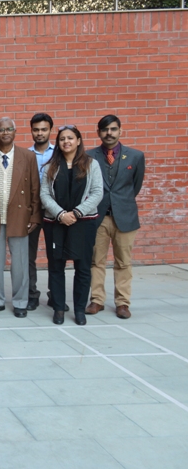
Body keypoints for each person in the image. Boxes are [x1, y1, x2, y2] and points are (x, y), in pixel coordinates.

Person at [0, 117, 41, 318]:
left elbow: (35, 188)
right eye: (1, 130)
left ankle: (20, 302)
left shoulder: (28, 156)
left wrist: (34, 216)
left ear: (15, 132)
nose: (5, 132)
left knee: (20, 262)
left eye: (9, 129)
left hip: (20, 216)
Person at [40, 125, 103, 325]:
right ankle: (59, 308)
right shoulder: (50, 167)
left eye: (70, 138)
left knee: (83, 267)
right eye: (62, 139)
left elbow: (97, 192)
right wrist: (60, 214)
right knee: (56, 267)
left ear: (78, 141)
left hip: (83, 223)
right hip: (55, 223)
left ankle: (79, 310)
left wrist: (76, 213)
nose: (66, 141)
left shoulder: (91, 164)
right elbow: (44, 194)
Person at [86, 115, 146, 319]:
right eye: (104, 129)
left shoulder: (136, 156)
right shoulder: (89, 156)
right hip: (98, 217)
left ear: (120, 131)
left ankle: (122, 303)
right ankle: (97, 300)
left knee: (123, 262)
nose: (109, 133)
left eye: (113, 129)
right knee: (96, 261)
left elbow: (135, 186)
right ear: (98, 132)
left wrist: (121, 203)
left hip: (125, 216)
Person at [27, 113, 56, 311]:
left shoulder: (59, 153)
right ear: (31, 131)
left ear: (50, 130)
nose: (39, 133)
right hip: (30, 211)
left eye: (43, 129)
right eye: (36, 130)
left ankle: (55, 294)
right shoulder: (25, 154)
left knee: (55, 255)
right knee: (28, 256)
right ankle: (31, 295)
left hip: (53, 211)